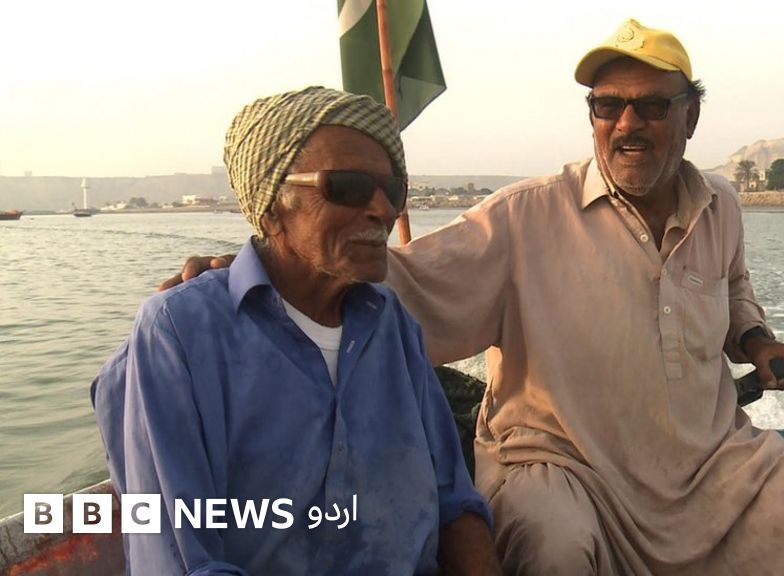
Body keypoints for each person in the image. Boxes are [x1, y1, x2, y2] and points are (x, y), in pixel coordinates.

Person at [160, 20, 784, 575]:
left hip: (710, 460)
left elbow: (734, 293)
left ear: (691, 117)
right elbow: (400, 281)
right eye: (607, 106)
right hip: (562, 465)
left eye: (651, 107)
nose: (627, 125)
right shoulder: (524, 216)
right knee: (553, 547)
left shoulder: (721, 205)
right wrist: (270, 265)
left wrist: (757, 343)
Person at [91, 87, 501, 576]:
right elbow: (182, 559)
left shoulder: (391, 324)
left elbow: (453, 502)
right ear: (271, 208)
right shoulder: (180, 332)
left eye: (393, 191)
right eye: (347, 186)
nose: (382, 209)